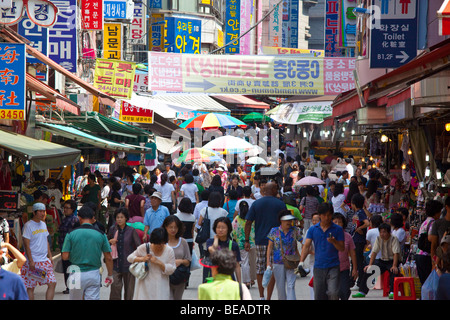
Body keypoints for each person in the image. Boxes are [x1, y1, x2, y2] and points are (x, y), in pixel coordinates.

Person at [244, 182, 287, 300]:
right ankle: (268, 297)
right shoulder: (280, 204)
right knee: (273, 268)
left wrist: (247, 240)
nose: (278, 191)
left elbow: (248, 222)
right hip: (277, 242)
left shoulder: (256, 204)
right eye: (277, 189)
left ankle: (261, 296)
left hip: (260, 240)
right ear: (273, 190)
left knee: (260, 268)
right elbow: (285, 222)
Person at [61, 205, 114, 300]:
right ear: (93, 218)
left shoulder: (70, 234)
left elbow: (65, 256)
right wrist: (110, 275)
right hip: (93, 273)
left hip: (75, 272)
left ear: (79, 217)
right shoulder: (101, 234)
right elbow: (108, 257)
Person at [299, 202, 345, 300]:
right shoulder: (312, 229)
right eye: (324, 215)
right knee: (319, 295)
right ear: (320, 215)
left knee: (333, 293)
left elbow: (342, 248)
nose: (327, 218)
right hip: (318, 267)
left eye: (329, 215)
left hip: (333, 266)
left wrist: (334, 242)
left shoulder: (338, 229)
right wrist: (301, 262)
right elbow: (306, 246)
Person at [352, 223, 401, 299]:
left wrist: (394, 266)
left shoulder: (394, 239)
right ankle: (362, 291)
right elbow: (374, 252)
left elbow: (396, 253)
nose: (382, 234)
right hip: (382, 260)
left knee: (394, 271)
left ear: (389, 232)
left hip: (392, 261)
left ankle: (392, 292)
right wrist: (370, 265)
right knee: (369, 271)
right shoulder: (378, 238)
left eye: (384, 232)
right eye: (381, 232)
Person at [127, 227, 176, 300]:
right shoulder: (145, 247)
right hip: (144, 285)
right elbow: (130, 258)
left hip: (161, 286)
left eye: (162, 243)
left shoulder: (169, 250)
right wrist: (142, 259)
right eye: (157, 243)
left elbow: (172, 269)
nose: (160, 246)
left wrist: (159, 263)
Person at [21, 202, 57, 300]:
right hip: (33, 262)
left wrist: (50, 256)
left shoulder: (43, 224)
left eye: (44, 211)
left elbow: (46, 241)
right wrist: (31, 260)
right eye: (40, 211)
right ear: (34, 212)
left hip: (44, 261)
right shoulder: (28, 226)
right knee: (31, 287)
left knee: (52, 283)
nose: (43, 213)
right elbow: (26, 244)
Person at [266, 210, 302, 300]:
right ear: (281, 221)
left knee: (291, 286)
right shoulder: (274, 231)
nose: (289, 222)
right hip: (278, 262)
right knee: (280, 288)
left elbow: (304, 242)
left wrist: (301, 260)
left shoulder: (295, 230)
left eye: (290, 220)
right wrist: (268, 263)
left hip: (292, 262)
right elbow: (269, 247)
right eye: (287, 220)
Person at [107, 208, 141, 300]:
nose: (119, 219)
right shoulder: (112, 229)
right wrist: (110, 241)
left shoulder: (131, 230)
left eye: (122, 217)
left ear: (126, 218)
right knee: (115, 288)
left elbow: (139, 247)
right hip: (115, 264)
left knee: (129, 291)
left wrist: (137, 259)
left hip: (129, 265)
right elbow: (105, 244)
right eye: (117, 217)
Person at [162, 215, 191, 300]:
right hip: (165, 277)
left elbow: (188, 261)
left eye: (175, 227)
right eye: (171, 227)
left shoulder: (183, 242)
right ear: (165, 227)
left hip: (179, 278)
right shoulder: (162, 242)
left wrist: (180, 261)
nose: (173, 230)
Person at [205, 217, 241, 283]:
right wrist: (216, 239)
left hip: (229, 279)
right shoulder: (210, 241)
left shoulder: (233, 245)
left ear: (228, 229)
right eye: (218, 227)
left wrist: (239, 283)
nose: (220, 230)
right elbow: (212, 250)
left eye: (223, 228)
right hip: (213, 279)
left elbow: (237, 265)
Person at [416, 200, 443, 285]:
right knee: (429, 282)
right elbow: (432, 240)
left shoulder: (425, 222)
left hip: (419, 254)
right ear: (436, 212)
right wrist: (433, 260)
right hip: (426, 256)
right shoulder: (433, 223)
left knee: (424, 283)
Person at [332, 213, 358, 300]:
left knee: (344, 291)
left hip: (344, 268)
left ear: (343, 223)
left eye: (340, 222)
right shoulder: (328, 236)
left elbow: (353, 253)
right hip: (331, 268)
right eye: (335, 222)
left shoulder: (347, 236)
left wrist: (354, 268)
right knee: (333, 292)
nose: (338, 224)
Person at [232, 200, 256, 289]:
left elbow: (233, 232)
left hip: (241, 243)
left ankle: (246, 281)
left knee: (244, 262)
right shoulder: (252, 218)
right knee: (252, 262)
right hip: (252, 242)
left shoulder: (237, 219)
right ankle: (252, 279)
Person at [57, 199, 80, 294]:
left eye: (67, 208)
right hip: (64, 248)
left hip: (71, 249)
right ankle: (69, 287)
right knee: (66, 268)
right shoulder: (64, 219)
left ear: (73, 209)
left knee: (72, 268)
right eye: (64, 208)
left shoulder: (75, 220)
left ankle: (72, 287)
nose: (65, 210)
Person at [350, 193, 370, 293]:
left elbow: (367, 223)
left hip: (359, 240)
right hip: (356, 240)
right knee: (356, 261)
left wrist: (359, 228)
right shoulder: (358, 212)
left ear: (353, 203)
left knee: (358, 262)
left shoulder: (360, 212)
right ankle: (354, 281)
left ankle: (359, 283)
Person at [430, 196, 450, 269]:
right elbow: (434, 245)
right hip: (442, 263)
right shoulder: (437, 224)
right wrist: (434, 263)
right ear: (447, 207)